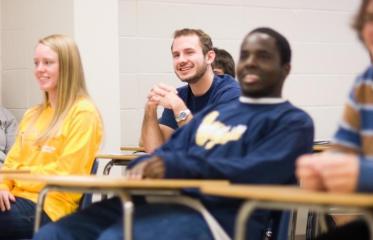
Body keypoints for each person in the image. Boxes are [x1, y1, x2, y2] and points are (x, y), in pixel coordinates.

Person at [33, 27, 314, 240]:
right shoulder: (217, 116)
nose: (251, 64)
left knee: (114, 237)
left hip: (216, 216)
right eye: (246, 57)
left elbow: (257, 171)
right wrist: (144, 165)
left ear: (284, 69)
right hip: (163, 202)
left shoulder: (292, 122)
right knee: (53, 235)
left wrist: (178, 164)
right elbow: (165, 152)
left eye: (263, 57)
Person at [0, 34, 103, 239]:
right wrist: (2, 185)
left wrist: (18, 176)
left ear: (67, 67)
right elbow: (11, 162)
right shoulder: (33, 113)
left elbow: (64, 175)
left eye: (47, 63)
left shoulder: (83, 113)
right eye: (36, 63)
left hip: (50, 206)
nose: (39, 69)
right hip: (16, 198)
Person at [296, 0, 373, 239]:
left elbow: (359, 171)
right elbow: (344, 150)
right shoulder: (366, 83)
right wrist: (322, 170)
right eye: (370, 19)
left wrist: (361, 174)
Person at [140, 28, 240, 153]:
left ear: (209, 57)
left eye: (189, 52)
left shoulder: (231, 94)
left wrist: (178, 107)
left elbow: (208, 149)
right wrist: (150, 107)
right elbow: (155, 151)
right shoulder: (179, 95)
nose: (181, 60)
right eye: (176, 55)